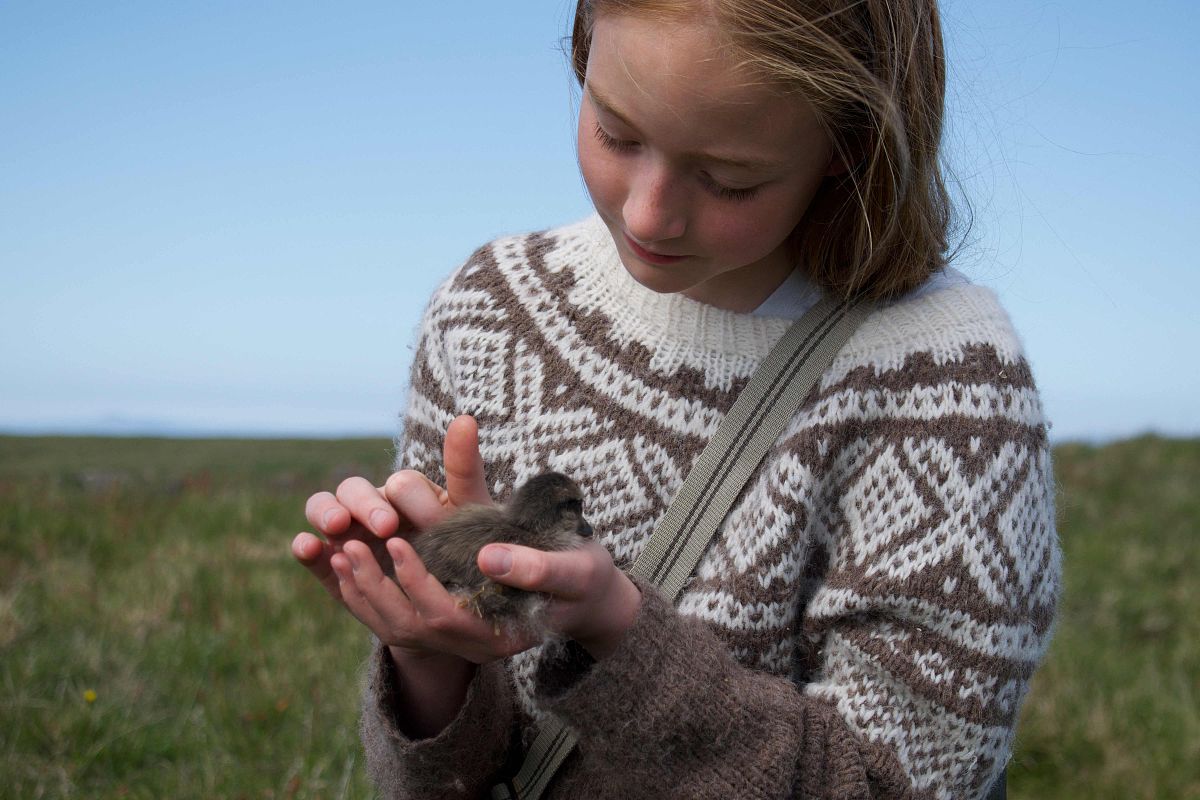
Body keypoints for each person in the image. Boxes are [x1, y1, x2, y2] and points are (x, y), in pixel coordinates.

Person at [292, 1, 1060, 797]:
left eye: (729, 179)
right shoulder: (489, 310)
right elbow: (448, 780)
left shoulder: (945, 380)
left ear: (848, 145)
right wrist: (429, 654)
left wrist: (622, 638)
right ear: (583, 53)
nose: (647, 211)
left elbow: (903, 783)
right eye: (616, 133)